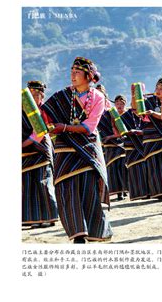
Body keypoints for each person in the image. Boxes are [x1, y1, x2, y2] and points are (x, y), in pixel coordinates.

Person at [41, 57, 112, 243]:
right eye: (71, 70)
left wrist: (63, 127)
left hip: (87, 149)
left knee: (88, 192)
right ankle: (78, 234)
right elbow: (45, 114)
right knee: (65, 189)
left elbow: (89, 126)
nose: (72, 74)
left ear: (88, 76)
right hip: (65, 150)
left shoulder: (97, 97)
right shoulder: (62, 95)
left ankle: (95, 231)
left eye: (77, 71)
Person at [22, 81, 58, 228]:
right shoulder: (22, 111)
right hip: (26, 154)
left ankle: (50, 216)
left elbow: (39, 133)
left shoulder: (43, 110)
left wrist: (22, 144)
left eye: (37, 94)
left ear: (42, 95)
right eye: (31, 94)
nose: (34, 96)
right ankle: (33, 219)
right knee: (29, 185)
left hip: (40, 151)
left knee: (43, 183)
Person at [99, 95, 128, 201]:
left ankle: (124, 190)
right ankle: (119, 192)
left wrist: (110, 137)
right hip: (111, 145)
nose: (119, 106)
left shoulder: (126, 114)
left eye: (121, 104)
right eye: (117, 104)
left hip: (122, 144)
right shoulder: (111, 115)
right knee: (114, 169)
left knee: (122, 168)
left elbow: (123, 131)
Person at [121, 100, 149, 200]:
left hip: (145, 145)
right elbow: (119, 131)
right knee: (134, 169)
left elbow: (152, 129)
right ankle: (137, 193)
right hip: (130, 146)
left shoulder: (146, 115)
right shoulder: (125, 117)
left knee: (145, 169)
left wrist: (140, 132)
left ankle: (148, 193)